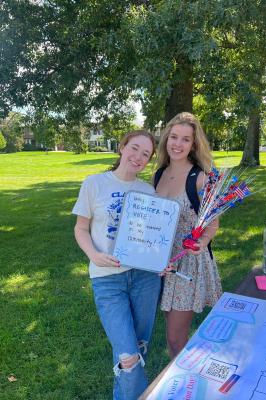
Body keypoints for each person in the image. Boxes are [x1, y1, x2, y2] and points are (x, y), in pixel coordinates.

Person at [72, 130, 161, 400]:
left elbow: (151, 236)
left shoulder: (147, 190)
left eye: (146, 154)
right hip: (107, 279)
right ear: (122, 147)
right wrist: (93, 255)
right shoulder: (94, 183)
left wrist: (158, 260)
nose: (138, 157)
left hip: (145, 278)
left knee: (139, 347)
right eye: (134, 148)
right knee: (128, 355)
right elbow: (81, 228)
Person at [154, 112, 222, 359]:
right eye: (173, 137)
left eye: (185, 139)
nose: (177, 144)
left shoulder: (200, 178)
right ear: (166, 139)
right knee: (171, 333)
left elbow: (213, 223)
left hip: (188, 263)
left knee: (175, 337)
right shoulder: (158, 174)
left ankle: (185, 386)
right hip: (161, 261)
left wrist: (202, 243)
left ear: (194, 144)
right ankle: (182, 381)